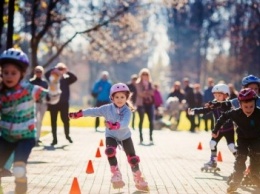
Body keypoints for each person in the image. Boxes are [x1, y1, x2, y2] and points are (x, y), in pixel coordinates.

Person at [0, 48, 61, 194]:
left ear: (21, 74)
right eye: (5, 72)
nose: (9, 76)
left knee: (19, 168)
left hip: (25, 138)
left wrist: (54, 83)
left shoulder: (29, 89)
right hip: (6, 137)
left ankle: (20, 189)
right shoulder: (2, 92)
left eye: (13, 73)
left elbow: (51, 98)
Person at [68, 83, 149, 191]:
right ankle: (116, 174)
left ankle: (138, 178)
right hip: (111, 136)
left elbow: (125, 123)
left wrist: (115, 125)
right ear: (112, 98)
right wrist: (80, 114)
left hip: (125, 137)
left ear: (126, 98)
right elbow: (93, 111)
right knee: (110, 151)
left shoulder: (127, 111)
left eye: (122, 97)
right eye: (117, 97)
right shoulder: (107, 108)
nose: (119, 100)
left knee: (133, 159)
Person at [212, 88, 260, 193]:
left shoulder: (258, 113)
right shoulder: (236, 113)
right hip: (243, 140)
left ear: (255, 103)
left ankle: (256, 176)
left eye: (251, 106)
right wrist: (215, 130)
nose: (248, 109)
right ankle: (236, 181)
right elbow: (223, 117)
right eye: (245, 107)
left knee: (256, 159)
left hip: (256, 140)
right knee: (240, 160)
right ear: (240, 104)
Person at [188, 83, 237, 170]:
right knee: (212, 144)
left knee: (231, 147)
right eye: (215, 95)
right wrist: (194, 111)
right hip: (218, 130)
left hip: (228, 130)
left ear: (226, 95)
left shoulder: (228, 104)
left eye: (219, 95)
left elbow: (224, 108)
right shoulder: (213, 104)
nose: (217, 97)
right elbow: (205, 110)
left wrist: (216, 104)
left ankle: (240, 162)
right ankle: (213, 161)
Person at [45, 62, 77, 146]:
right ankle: (54, 139)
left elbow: (75, 78)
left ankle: (67, 135)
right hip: (53, 103)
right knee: (53, 121)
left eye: (61, 69)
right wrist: (54, 69)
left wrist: (66, 71)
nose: (60, 71)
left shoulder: (66, 79)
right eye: (59, 69)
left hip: (64, 103)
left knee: (65, 120)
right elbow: (46, 74)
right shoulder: (52, 78)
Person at [29, 66, 48, 146]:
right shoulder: (31, 82)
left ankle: (38, 138)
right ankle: (32, 138)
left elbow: (47, 94)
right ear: (35, 72)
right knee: (34, 121)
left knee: (40, 121)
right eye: (37, 71)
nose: (38, 73)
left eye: (40, 71)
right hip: (34, 103)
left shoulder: (45, 83)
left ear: (42, 73)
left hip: (43, 104)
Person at [135, 68, 155, 144]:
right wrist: (147, 93)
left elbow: (153, 92)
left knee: (151, 121)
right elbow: (140, 93)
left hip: (149, 104)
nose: (145, 76)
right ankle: (141, 138)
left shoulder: (150, 83)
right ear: (141, 75)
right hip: (141, 104)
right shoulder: (138, 83)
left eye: (146, 74)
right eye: (143, 74)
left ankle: (151, 137)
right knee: (141, 120)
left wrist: (147, 92)